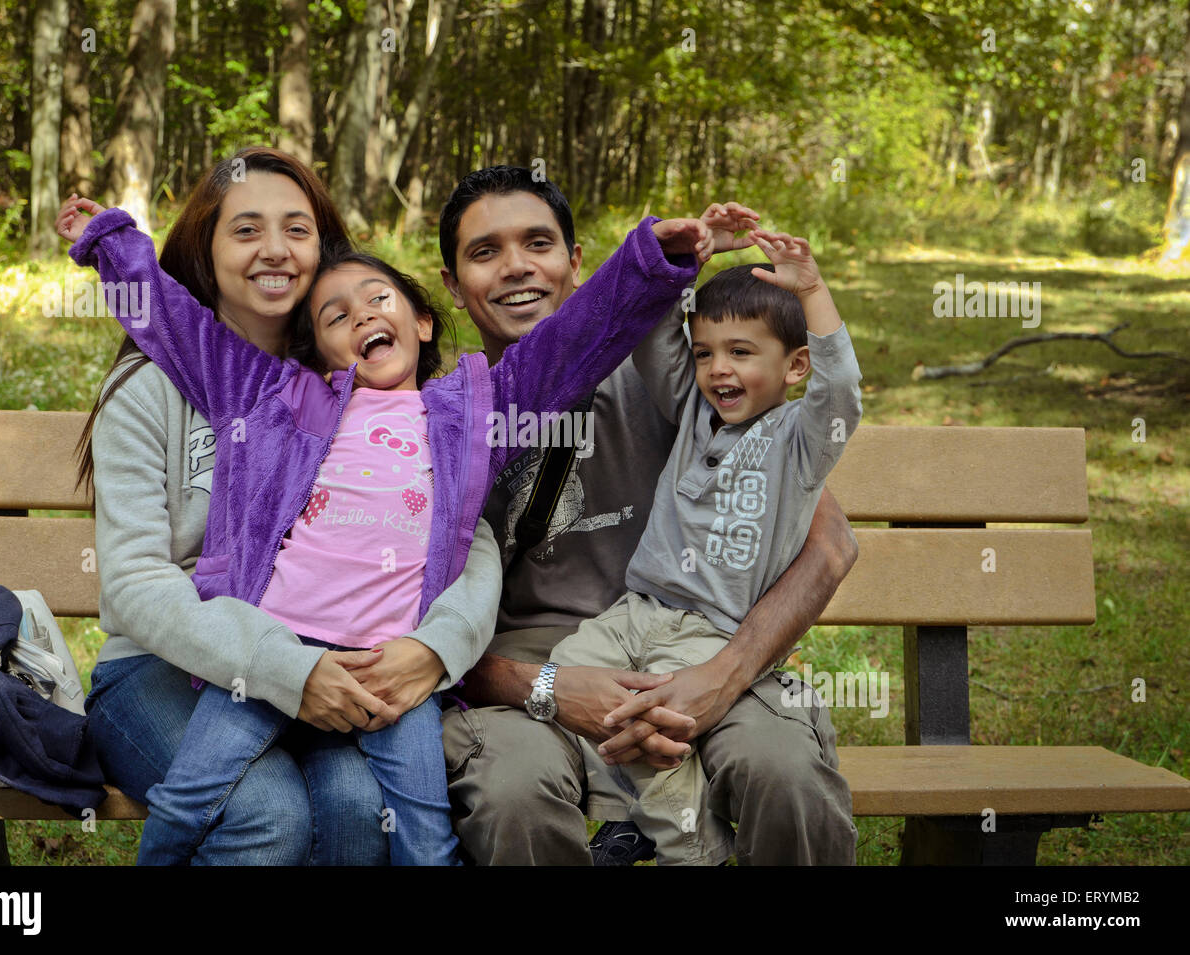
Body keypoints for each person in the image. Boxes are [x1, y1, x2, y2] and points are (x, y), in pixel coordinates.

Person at [60, 184, 737, 862]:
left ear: (423, 321)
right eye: (334, 315)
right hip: (272, 648)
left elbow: (569, 345)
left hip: (394, 666)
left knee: (418, 829)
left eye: (378, 300)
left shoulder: (471, 413)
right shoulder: (281, 402)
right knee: (199, 796)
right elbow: (182, 331)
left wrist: (652, 260)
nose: (361, 317)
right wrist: (112, 244)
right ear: (316, 351)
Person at [75, 146, 502, 865]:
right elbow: (135, 585)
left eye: (296, 229)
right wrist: (283, 668)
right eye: (246, 230)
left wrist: (435, 646)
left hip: (332, 661)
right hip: (159, 667)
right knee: (266, 816)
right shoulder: (149, 390)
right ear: (205, 252)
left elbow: (458, 526)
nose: (274, 249)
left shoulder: (352, 380)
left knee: (358, 808)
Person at [436, 166, 860, 865]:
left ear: (577, 264)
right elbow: (416, 629)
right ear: (452, 283)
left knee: (781, 770)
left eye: (538, 243)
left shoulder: (681, 382)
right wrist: (546, 687)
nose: (516, 267)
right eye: (484, 252)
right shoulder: (440, 415)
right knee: (513, 791)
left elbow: (832, 544)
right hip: (531, 671)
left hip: (703, 642)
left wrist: (724, 675)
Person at [551, 215, 863, 864]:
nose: (718, 369)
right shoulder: (694, 409)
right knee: (562, 687)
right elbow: (652, 338)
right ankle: (629, 816)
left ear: (796, 365)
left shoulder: (801, 442)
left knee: (652, 728)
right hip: (632, 613)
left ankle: (692, 849)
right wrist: (688, 259)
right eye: (706, 352)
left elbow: (841, 392)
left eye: (742, 353)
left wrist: (811, 289)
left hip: (707, 632)